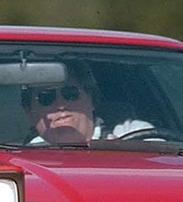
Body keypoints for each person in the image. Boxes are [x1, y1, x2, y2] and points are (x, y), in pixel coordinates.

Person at [21, 62, 154, 145]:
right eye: (46, 98)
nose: (60, 105)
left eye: (71, 94)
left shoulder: (135, 135)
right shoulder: (25, 156)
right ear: (29, 113)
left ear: (92, 99)